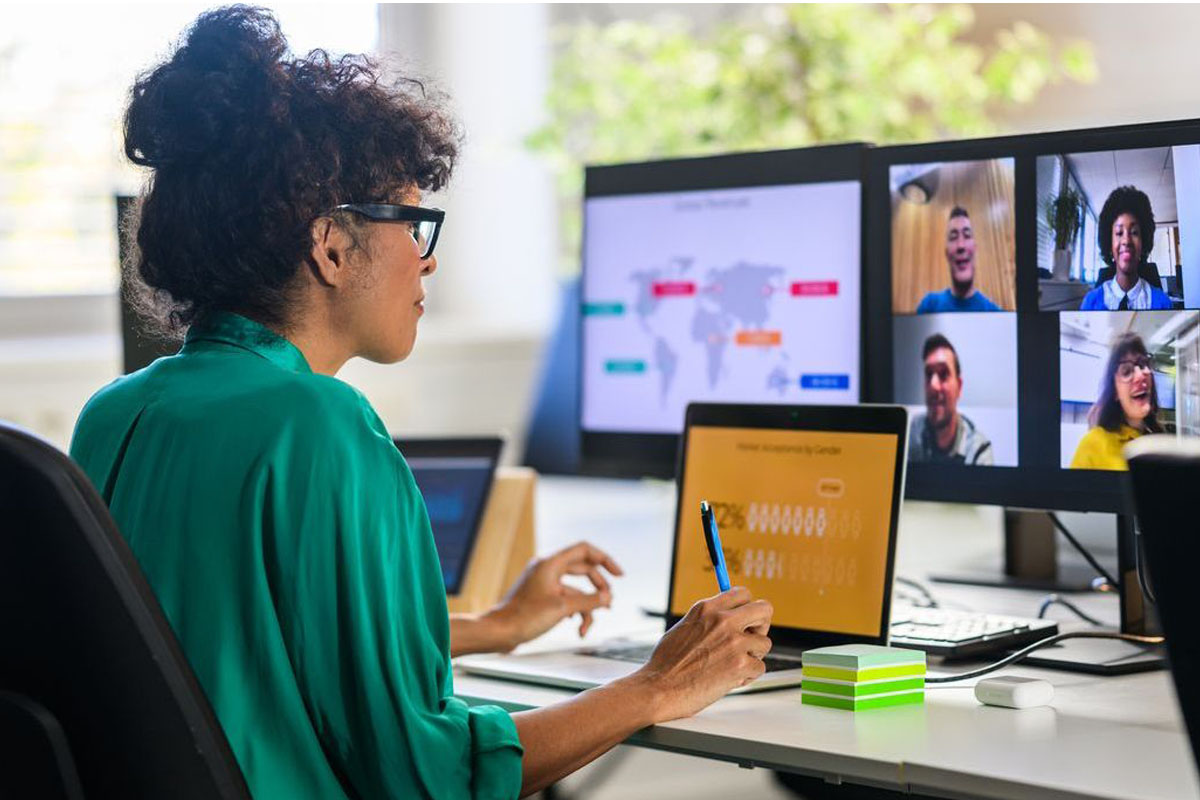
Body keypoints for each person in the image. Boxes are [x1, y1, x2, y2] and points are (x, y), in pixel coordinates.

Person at [69, 9, 773, 800]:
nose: (426, 261)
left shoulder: (117, 414)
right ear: (332, 246)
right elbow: (429, 777)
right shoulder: (321, 427)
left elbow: (230, 647)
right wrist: (659, 683)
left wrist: (494, 626)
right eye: (412, 224)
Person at [1070, 333, 1162, 470]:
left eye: (1142, 364)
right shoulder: (1092, 445)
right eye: (1126, 372)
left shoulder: (1160, 438)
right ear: (1115, 392)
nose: (1140, 376)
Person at [1079, 186, 1172, 311]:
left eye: (1134, 232)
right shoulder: (1091, 303)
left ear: (1143, 242)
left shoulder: (1163, 303)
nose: (1126, 241)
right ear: (1109, 244)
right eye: (1119, 233)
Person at [908, 334, 994, 465]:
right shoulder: (911, 435)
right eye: (929, 374)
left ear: (959, 386)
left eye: (943, 374)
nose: (933, 385)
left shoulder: (978, 449)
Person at [915, 206, 1002, 313]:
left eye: (967, 235)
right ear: (947, 253)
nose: (961, 245)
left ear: (975, 249)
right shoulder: (929, 305)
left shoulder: (994, 313)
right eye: (953, 237)